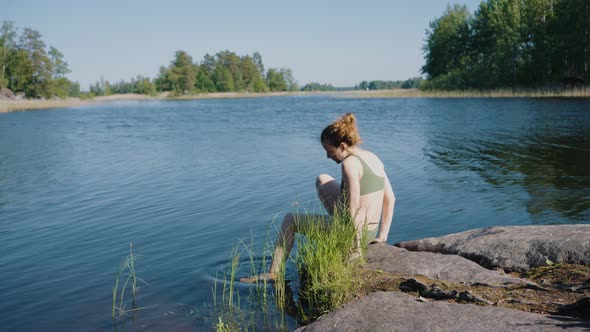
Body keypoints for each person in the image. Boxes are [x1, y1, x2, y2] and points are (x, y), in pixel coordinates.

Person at [241, 113, 395, 282]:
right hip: (371, 232)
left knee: (290, 220)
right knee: (322, 179)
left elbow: (354, 205)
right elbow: (390, 198)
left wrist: (356, 247)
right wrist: (382, 236)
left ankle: (274, 273)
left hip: (353, 233)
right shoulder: (373, 157)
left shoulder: (349, 164)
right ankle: (352, 235)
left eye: (330, 151)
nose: (327, 156)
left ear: (343, 146)